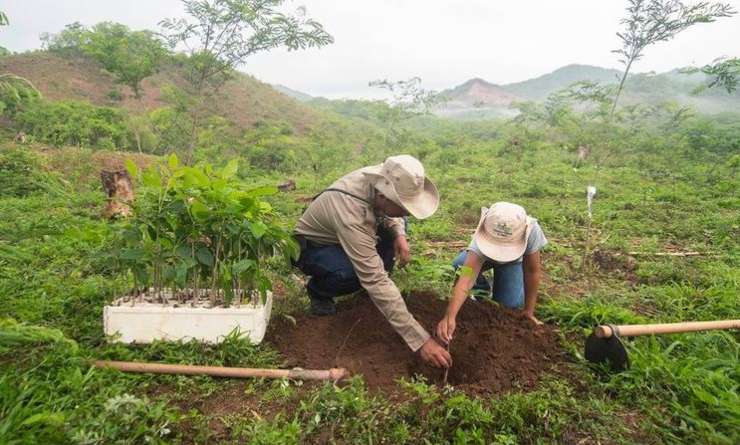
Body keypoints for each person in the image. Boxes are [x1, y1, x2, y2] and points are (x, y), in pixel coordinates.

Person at [294, 155, 452, 368]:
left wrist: (399, 234)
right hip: (315, 247)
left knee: (396, 226)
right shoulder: (352, 212)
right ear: (383, 196)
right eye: (404, 207)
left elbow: (390, 213)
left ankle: (376, 296)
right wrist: (421, 341)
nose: (408, 213)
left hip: (347, 236)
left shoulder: (386, 177)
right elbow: (374, 278)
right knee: (354, 274)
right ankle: (319, 292)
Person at [436, 202, 547, 344]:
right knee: (459, 265)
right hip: (485, 255)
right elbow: (466, 277)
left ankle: (502, 282)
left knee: (508, 306)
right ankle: (482, 288)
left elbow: (532, 271)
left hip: (513, 262)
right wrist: (449, 316)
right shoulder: (485, 231)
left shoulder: (531, 230)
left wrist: (529, 311)